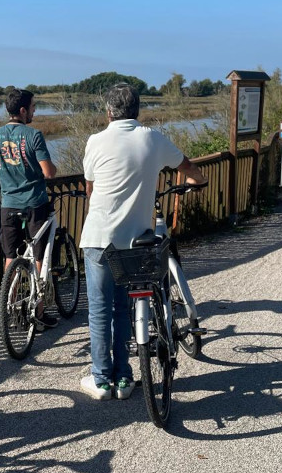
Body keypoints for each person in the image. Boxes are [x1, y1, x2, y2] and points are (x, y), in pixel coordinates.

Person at [79, 84, 206, 401]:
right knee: (124, 308)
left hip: (98, 237)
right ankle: (124, 379)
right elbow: (188, 167)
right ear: (137, 110)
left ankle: (101, 380)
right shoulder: (152, 138)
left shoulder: (95, 141)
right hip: (135, 242)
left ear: (109, 112)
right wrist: (197, 181)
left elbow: (91, 190)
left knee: (99, 311)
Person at [0, 89, 59, 329]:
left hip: (8, 205)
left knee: (11, 257)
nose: (34, 111)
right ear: (22, 111)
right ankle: (39, 312)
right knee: (39, 257)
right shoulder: (34, 135)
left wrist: (1, 177)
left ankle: (9, 308)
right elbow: (48, 172)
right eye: (32, 107)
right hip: (35, 203)